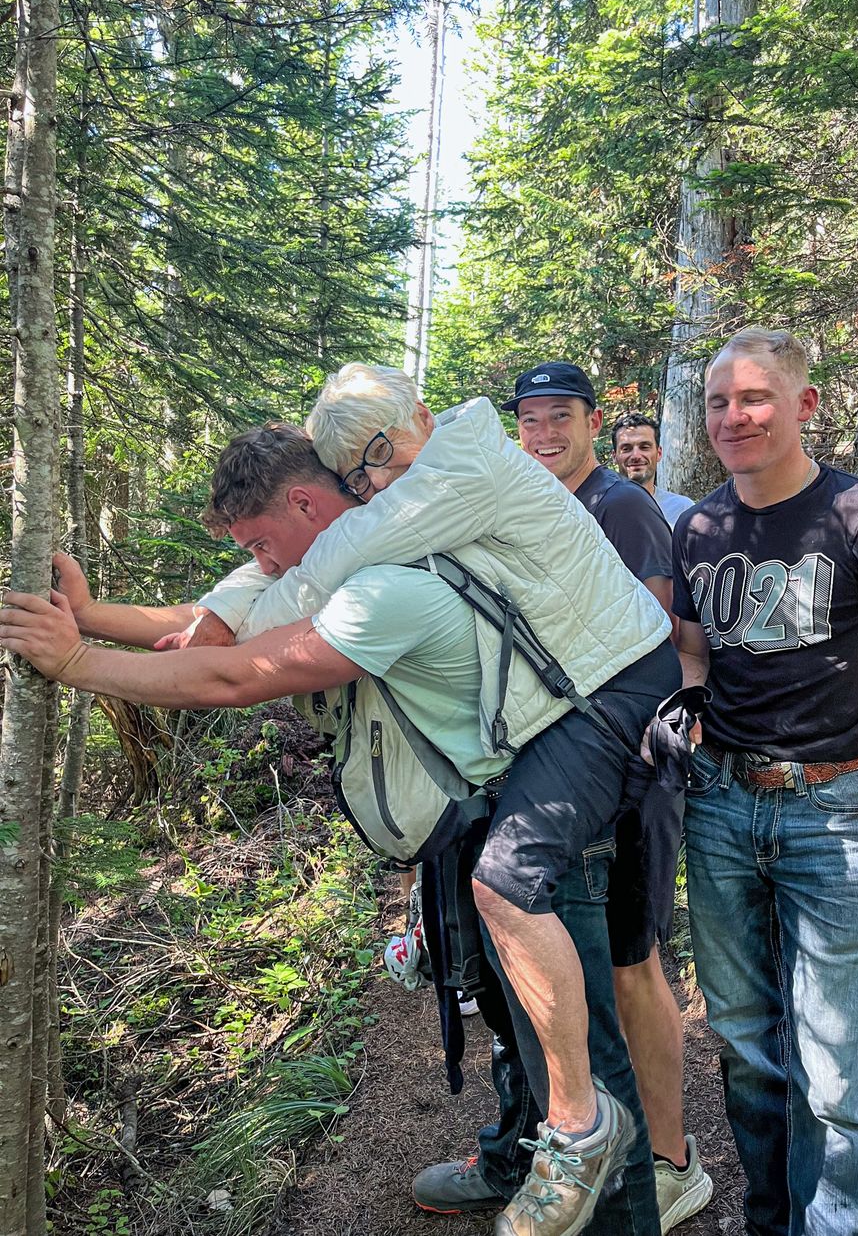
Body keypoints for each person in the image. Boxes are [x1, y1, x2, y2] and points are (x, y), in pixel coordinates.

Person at [16, 406, 679, 1236]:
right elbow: (220, 617)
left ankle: (602, 1196)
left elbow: (230, 674)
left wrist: (76, 663)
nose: (259, 565)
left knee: (580, 1066)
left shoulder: (383, 584)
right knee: (515, 1027)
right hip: (483, 807)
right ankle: (520, 1157)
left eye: (260, 543)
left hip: (546, 802)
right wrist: (91, 616)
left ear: (306, 507)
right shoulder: (343, 552)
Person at [662, 327, 858, 1236]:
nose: (734, 416)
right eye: (719, 402)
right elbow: (693, 648)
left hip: (836, 814)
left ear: (804, 405)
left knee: (836, 1077)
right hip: (720, 808)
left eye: (755, 398)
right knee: (750, 1051)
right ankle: (773, 1219)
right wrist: (684, 717)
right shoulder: (700, 527)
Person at [499, 362, 710, 1230]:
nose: (544, 433)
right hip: (569, 766)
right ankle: (589, 1145)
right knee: (595, 963)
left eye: (560, 418)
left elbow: (647, 634)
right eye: (530, 420)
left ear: (591, 422)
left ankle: (671, 1161)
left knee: (632, 962)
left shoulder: (619, 505)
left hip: (628, 762)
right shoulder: (536, 503)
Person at [610, 412, 693, 528]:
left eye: (644, 447)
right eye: (626, 449)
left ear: (659, 453)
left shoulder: (683, 509)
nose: (636, 456)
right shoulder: (602, 508)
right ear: (614, 456)